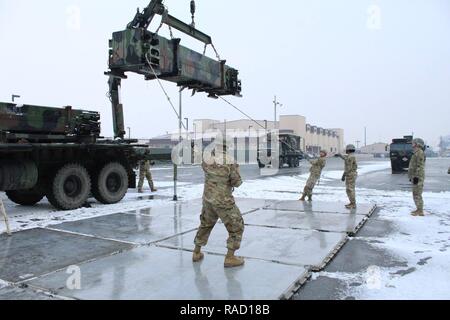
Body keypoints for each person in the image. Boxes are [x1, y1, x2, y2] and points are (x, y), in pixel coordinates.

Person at [193, 136, 245, 268]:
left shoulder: (207, 159)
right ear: (227, 146)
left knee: (205, 225)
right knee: (236, 226)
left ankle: (196, 252)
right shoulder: (230, 161)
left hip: (208, 200)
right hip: (223, 201)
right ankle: (230, 257)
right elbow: (236, 182)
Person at [336, 145, 358, 209]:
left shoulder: (350, 157)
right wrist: (340, 155)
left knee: (350, 189)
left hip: (350, 174)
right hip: (351, 174)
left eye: (346, 149)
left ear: (348, 150)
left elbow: (348, 168)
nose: (345, 150)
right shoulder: (351, 156)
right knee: (350, 189)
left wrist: (343, 175)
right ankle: (352, 202)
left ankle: (353, 204)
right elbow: (346, 158)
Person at [409, 138, 426, 217]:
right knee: (415, 193)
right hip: (415, 176)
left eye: (413, 143)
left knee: (417, 193)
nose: (412, 144)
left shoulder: (419, 152)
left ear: (417, 144)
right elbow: (413, 165)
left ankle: (420, 211)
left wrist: (416, 176)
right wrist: (411, 176)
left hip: (418, 176)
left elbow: (419, 165)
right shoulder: (416, 152)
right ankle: (418, 209)